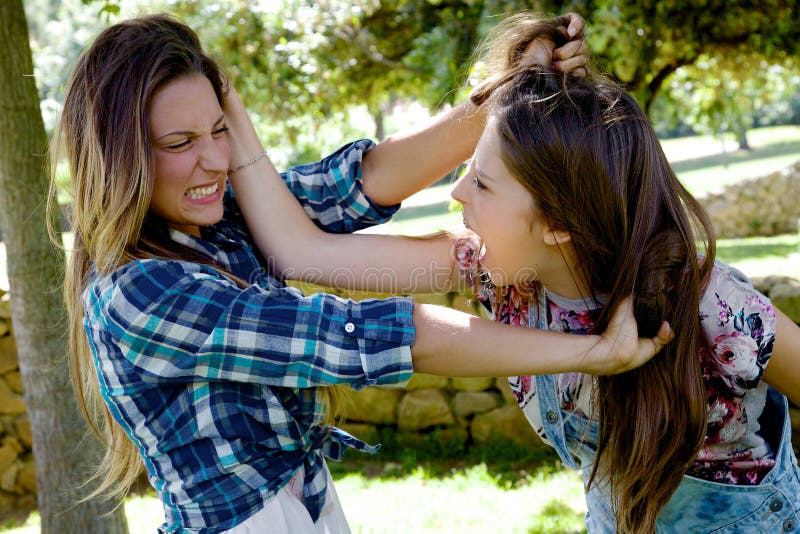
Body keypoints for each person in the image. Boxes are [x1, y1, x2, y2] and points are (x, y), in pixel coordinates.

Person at [50, 13, 672, 534]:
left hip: (312, 507)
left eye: (220, 131)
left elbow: (362, 181)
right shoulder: (135, 293)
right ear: (119, 156)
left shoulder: (221, 220)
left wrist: (511, 88)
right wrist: (589, 351)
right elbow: (359, 336)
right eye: (181, 143)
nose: (216, 159)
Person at [229, 16, 800, 534]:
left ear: (557, 223)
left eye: (481, 183)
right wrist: (224, 111)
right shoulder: (495, 271)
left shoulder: (712, 307)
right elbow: (298, 253)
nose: (455, 193)